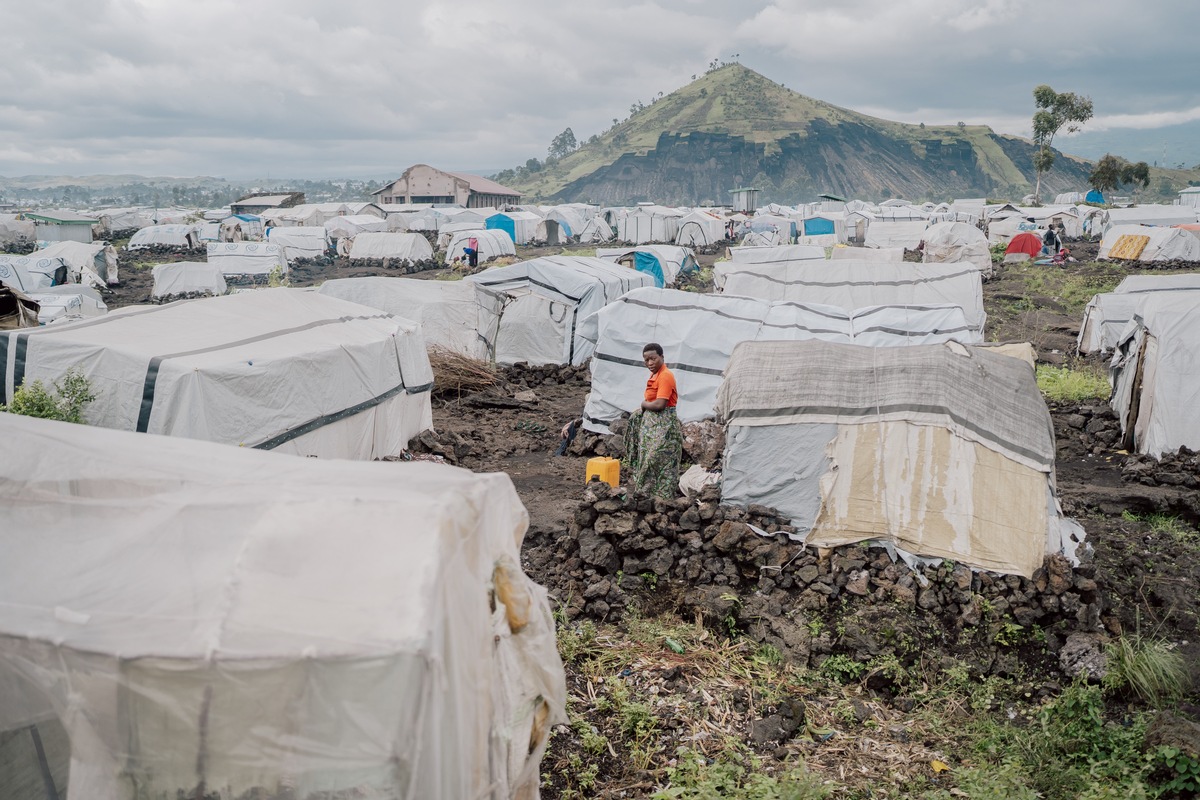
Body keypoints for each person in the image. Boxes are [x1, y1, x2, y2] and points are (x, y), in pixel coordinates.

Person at [626, 343, 683, 498]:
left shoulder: (665, 376)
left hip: (664, 426)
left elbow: (660, 404)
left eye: (653, 358)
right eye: (646, 360)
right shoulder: (655, 375)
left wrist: (644, 404)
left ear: (662, 357)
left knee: (657, 458)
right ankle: (647, 494)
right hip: (652, 425)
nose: (650, 363)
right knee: (647, 457)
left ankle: (662, 496)